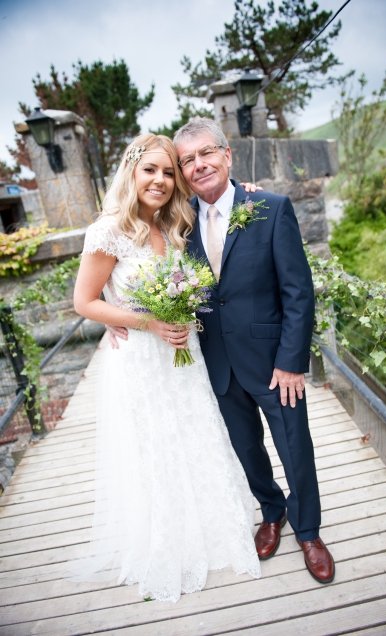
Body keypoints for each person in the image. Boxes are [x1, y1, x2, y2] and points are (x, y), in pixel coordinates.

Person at [72, 133, 261, 602]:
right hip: (141, 360)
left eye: (167, 172)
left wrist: (247, 191)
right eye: (150, 170)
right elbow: (84, 302)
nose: (159, 180)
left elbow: (224, 211)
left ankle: (216, 529)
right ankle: (168, 543)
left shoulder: (178, 222)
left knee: (196, 435)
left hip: (185, 355)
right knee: (155, 447)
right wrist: (146, 322)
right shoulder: (108, 231)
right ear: (131, 173)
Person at [173, 117, 334, 583]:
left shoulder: (271, 207)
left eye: (206, 153)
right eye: (188, 160)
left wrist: (291, 362)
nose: (198, 165)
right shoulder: (180, 222)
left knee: (294, 447)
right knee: (246, 448)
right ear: (183, 171)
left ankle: (309, 532)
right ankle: (272, 511)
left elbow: (298, 293)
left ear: (227, 155)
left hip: (272, 362)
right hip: (218, 364)